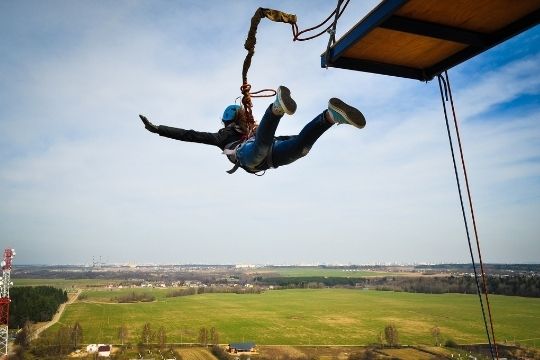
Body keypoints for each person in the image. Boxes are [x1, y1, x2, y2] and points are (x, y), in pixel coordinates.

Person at [139, 86, 365, 174]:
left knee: (301, 148)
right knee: (263, 144)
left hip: (263, 154)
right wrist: (158, 129)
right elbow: (189, 135)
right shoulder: (224, 137)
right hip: (252, 156)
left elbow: (189, 134)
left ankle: (329, 116)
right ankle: (278, 109)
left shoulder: (252, 128)